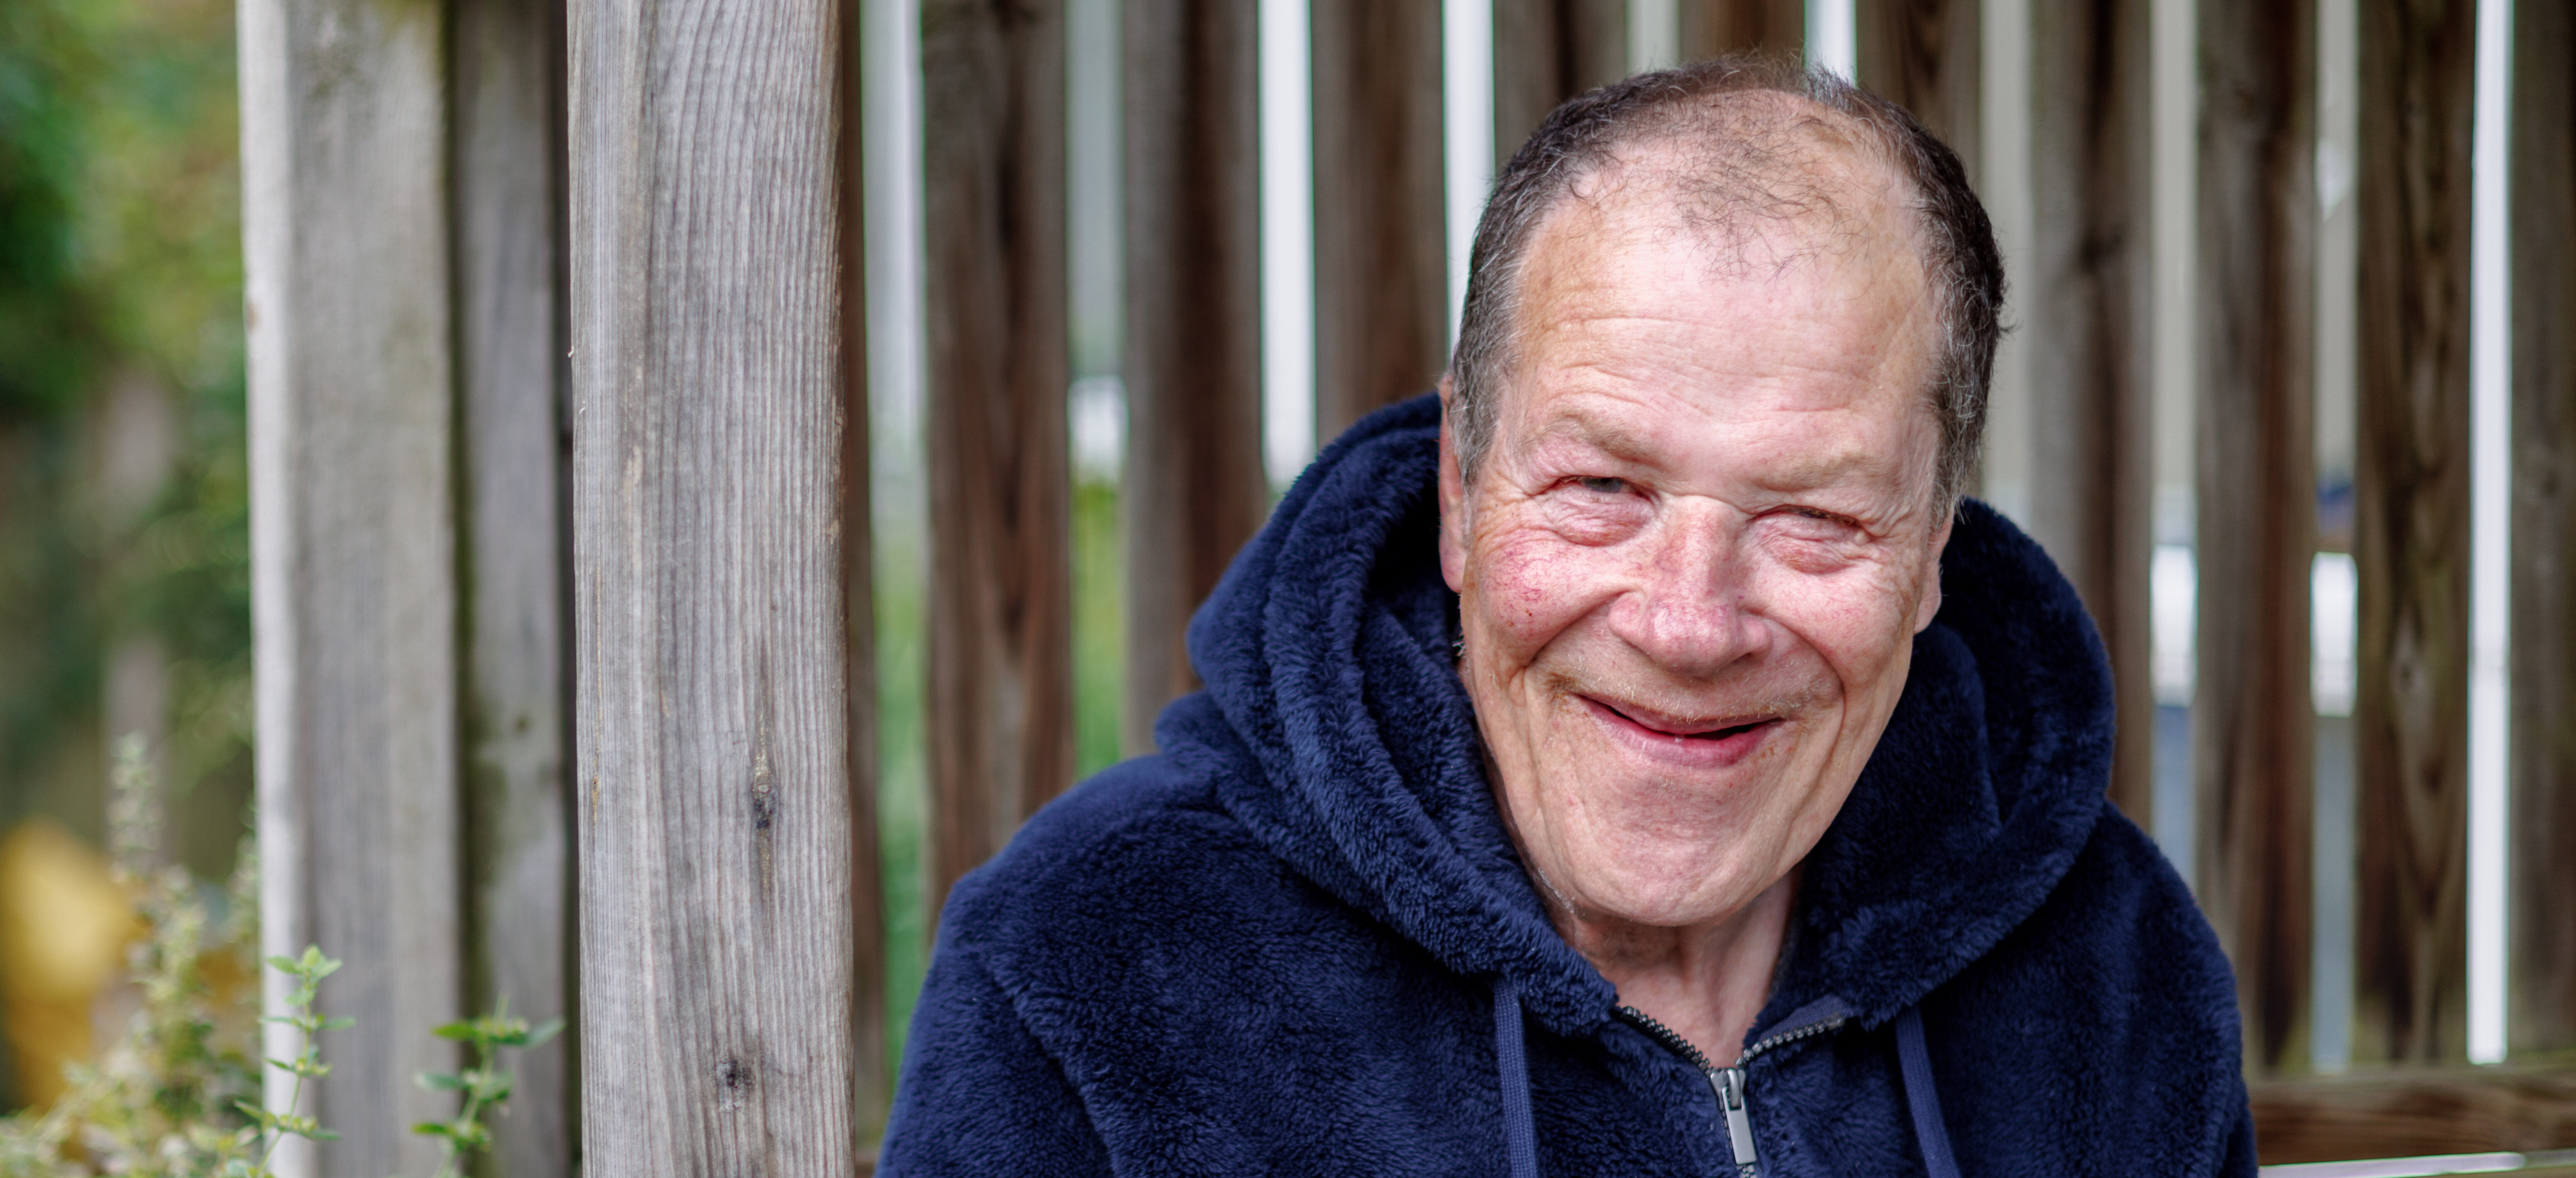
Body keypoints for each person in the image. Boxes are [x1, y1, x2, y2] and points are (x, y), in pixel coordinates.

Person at [875, 57, 2251, 1177]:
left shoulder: (2116, 968)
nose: (1690, 623)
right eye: (1603, 486)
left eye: (1815, 518)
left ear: (1936, 549)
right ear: (1462, 489)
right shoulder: (1092, 969)